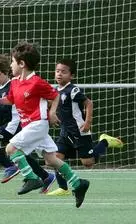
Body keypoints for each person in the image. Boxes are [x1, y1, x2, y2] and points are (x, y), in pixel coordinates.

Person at [0, 41, 90, 208]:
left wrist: (51, 113)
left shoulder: (37, 82)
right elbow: (12, 99)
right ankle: (79, 183)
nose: (11, 65)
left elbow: (55, 95)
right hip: (29, 125)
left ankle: (31, 178)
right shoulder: (14, 82)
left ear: (22, 64)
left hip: (38, 123)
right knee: (51, 159)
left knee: (10, 148)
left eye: (13, 62)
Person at [0, 53, 55, 193]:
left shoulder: (13, 84)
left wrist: (50, 111)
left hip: (15, 124)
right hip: (5, 124)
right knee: (23, 155)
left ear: (6, 71)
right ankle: (46, 176)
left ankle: (10, 167)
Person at [46, 58, 123, 196]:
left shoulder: (73, 90)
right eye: (57, 71)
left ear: (72, 75)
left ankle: (104, 141)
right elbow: (54, 106)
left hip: (79, 132)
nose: (59, 74)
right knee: (56, 158)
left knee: (88, 163)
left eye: (63, 72)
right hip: (65, 133)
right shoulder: (55, 90)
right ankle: (63, 188)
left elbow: (89, 103)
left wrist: (87, 122)